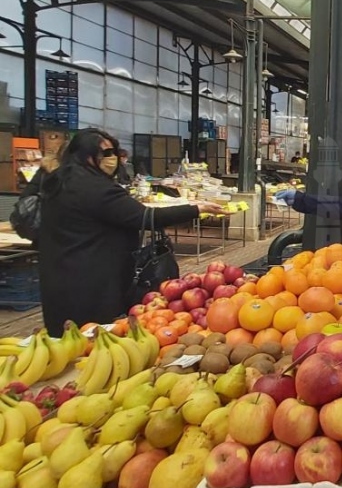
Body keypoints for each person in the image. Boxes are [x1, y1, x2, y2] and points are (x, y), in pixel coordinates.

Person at [38, 128, 225, 336]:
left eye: (113, 153)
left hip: (57, 275)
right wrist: (195, 209)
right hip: (92, 281)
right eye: (105, 154)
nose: (112, 159)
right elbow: (145, 217)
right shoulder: (97, 189)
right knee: (94, 340)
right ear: (85, 155)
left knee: (64, 338)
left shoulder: (56, 180)